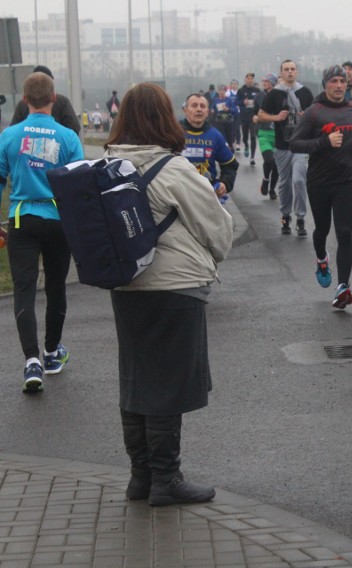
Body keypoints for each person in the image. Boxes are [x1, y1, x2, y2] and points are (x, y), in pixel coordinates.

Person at [103, 82, 232, 507]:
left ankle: (140, 477)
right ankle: (166, 479)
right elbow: (218, 228)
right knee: (168, 384)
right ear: (164, 118)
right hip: (175, 287)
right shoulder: (175, 170)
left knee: (136, 379)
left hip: (125, 287)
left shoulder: (106, 166)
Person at [0, 71, 84, 393]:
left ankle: (30, 361)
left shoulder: (9, 136)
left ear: (24, 100)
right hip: (57, 220)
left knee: (24, 289)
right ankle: (51, 353)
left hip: (22, 219)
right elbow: (78, 188)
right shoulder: (68, 138)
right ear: (54, 98)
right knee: (55, 286)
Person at [288, 65, 352, 309]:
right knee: (321, 229)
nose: (339, 85)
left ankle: (343, 286)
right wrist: (323, 141)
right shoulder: (314, 112)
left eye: (342, 81)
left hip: (347, 180)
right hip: (320, 181)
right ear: (326, 84)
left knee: (344, 232)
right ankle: (322, 259)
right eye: (334, 81)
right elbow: (295, 144)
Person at [258, 59, 314, 237]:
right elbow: (261, 115)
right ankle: (285, 216)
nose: (290, 72)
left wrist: (306, 117)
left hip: (301, 145)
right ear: (281, 73)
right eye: (286, 70)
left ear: (297, 72)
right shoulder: (274, 94)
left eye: (293, 69)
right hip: (282, 145)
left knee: (299, 180)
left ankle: (300, 218)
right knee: (284, 183)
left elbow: (316, 115)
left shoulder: (305, 93)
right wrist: (276, 117)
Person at [180, 93, 239, 204]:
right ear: (185, 110)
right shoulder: (173, 133)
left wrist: (224, 183)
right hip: (178, 197)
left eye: (202, 106)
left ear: (207, 112)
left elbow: (230, 165)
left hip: (207, 197)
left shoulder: (216, 136)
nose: (199, 109)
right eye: (194, 105)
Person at [11, 65, 81, 134]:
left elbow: (13, 129)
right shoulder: (62, 101)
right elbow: (74, 127)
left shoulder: (22, 104)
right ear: (53, 97)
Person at [254, 73, 279, 199]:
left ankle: (272, 189)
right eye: (263, 81)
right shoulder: (260, 96)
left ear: (273, 82)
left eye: (267, 81)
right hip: (264, 133)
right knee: (269, 160)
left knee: (276, 166)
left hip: (278, 134)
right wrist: (254, 117)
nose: (264, 83)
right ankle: (265, 179)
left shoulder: (281, 95)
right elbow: (254, 112)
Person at [236, 73, 261, 164]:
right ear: (245, 80)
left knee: (253, 137)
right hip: (244, 116)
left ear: (253, 80)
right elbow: (236, 102)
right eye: (248, 78)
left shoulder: (257, 90)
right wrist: (243, 102)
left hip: (253, 116)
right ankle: (246, 145)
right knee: (245, 137)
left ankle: (252, 158)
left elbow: (262, 101)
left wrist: (256, 102)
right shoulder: (241, 90)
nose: (250, 80)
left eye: (251, 79)